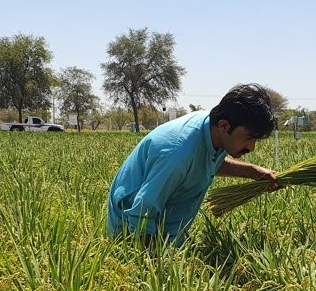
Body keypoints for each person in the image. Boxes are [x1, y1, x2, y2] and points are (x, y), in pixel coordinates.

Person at [106, 83, 279, 246]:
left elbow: (202, 164)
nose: (252, 147)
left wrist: (253, 172)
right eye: (249, 138)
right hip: (131, 236)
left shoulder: (212, 129)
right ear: (224, 126)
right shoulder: (177, 155)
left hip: (165, 235)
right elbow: (141, 215)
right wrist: (159, 267)